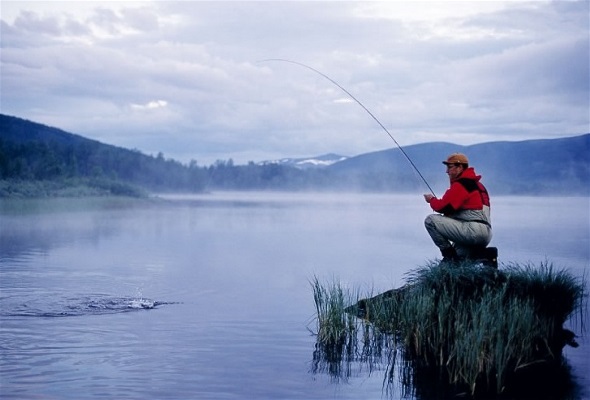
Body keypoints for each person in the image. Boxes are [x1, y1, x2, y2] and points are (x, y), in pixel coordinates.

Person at [423, 153, 492, 262]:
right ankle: (487, 257)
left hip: (472, 231)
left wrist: (431, 200)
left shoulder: (462, 184)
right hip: (486, 234)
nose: (446, 171)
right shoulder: (479, 186)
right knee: (460, 260)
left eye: (450, 167)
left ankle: (448, 256)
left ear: (460, 167)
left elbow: (443, 207)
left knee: (430, 221)